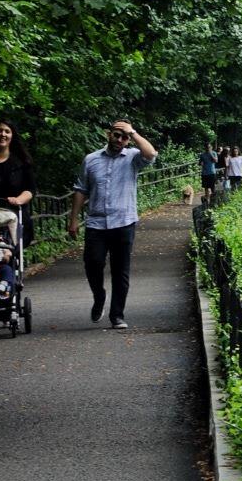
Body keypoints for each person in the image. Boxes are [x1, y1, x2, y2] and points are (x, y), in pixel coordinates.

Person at [69, 120, 157, 330]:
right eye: (116, 135)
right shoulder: (91, 159)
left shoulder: (133, 157)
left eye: (124, 137)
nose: (119, 139)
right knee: (92, 263)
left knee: (120, 271)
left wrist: (132, 132)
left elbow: (151, 153)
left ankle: (117, 314)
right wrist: (73, 220)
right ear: (109, 134)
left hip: (124, 221)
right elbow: (81, 189)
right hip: (96, 223)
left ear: (128, 140)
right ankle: (99, 296)